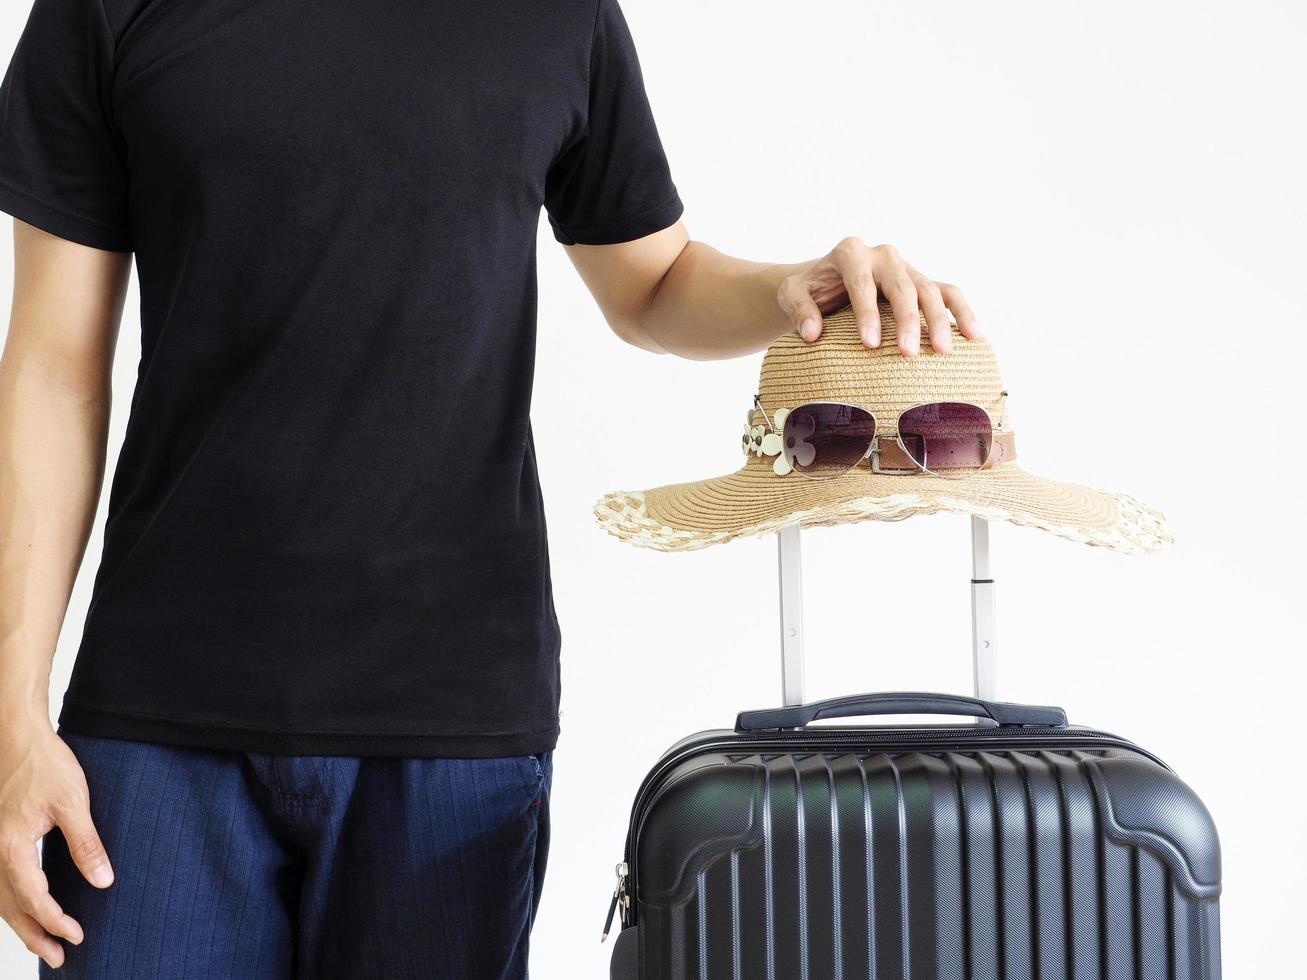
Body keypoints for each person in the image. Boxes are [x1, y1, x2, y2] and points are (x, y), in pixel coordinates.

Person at [0, 0, 979, 976]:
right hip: (155, 719)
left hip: (451, 717)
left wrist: (788, 289)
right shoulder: (105, 10)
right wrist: (9, 715)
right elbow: (51, 368)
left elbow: (652, 279)